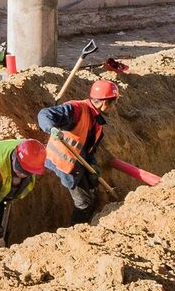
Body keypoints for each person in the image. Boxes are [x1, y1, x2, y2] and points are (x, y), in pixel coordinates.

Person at [37, 77, 121, 225]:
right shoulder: (76, 109)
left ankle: (88, 223)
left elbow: (89, 150)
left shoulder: (97, 123)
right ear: (104, 102)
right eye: (114, 103)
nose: (115, 107)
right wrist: (51, 128)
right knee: (84, 203)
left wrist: (93, 166)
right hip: (62, 162)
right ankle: (75, 232)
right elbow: (45, 114)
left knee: (93, 191)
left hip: (77, 162)